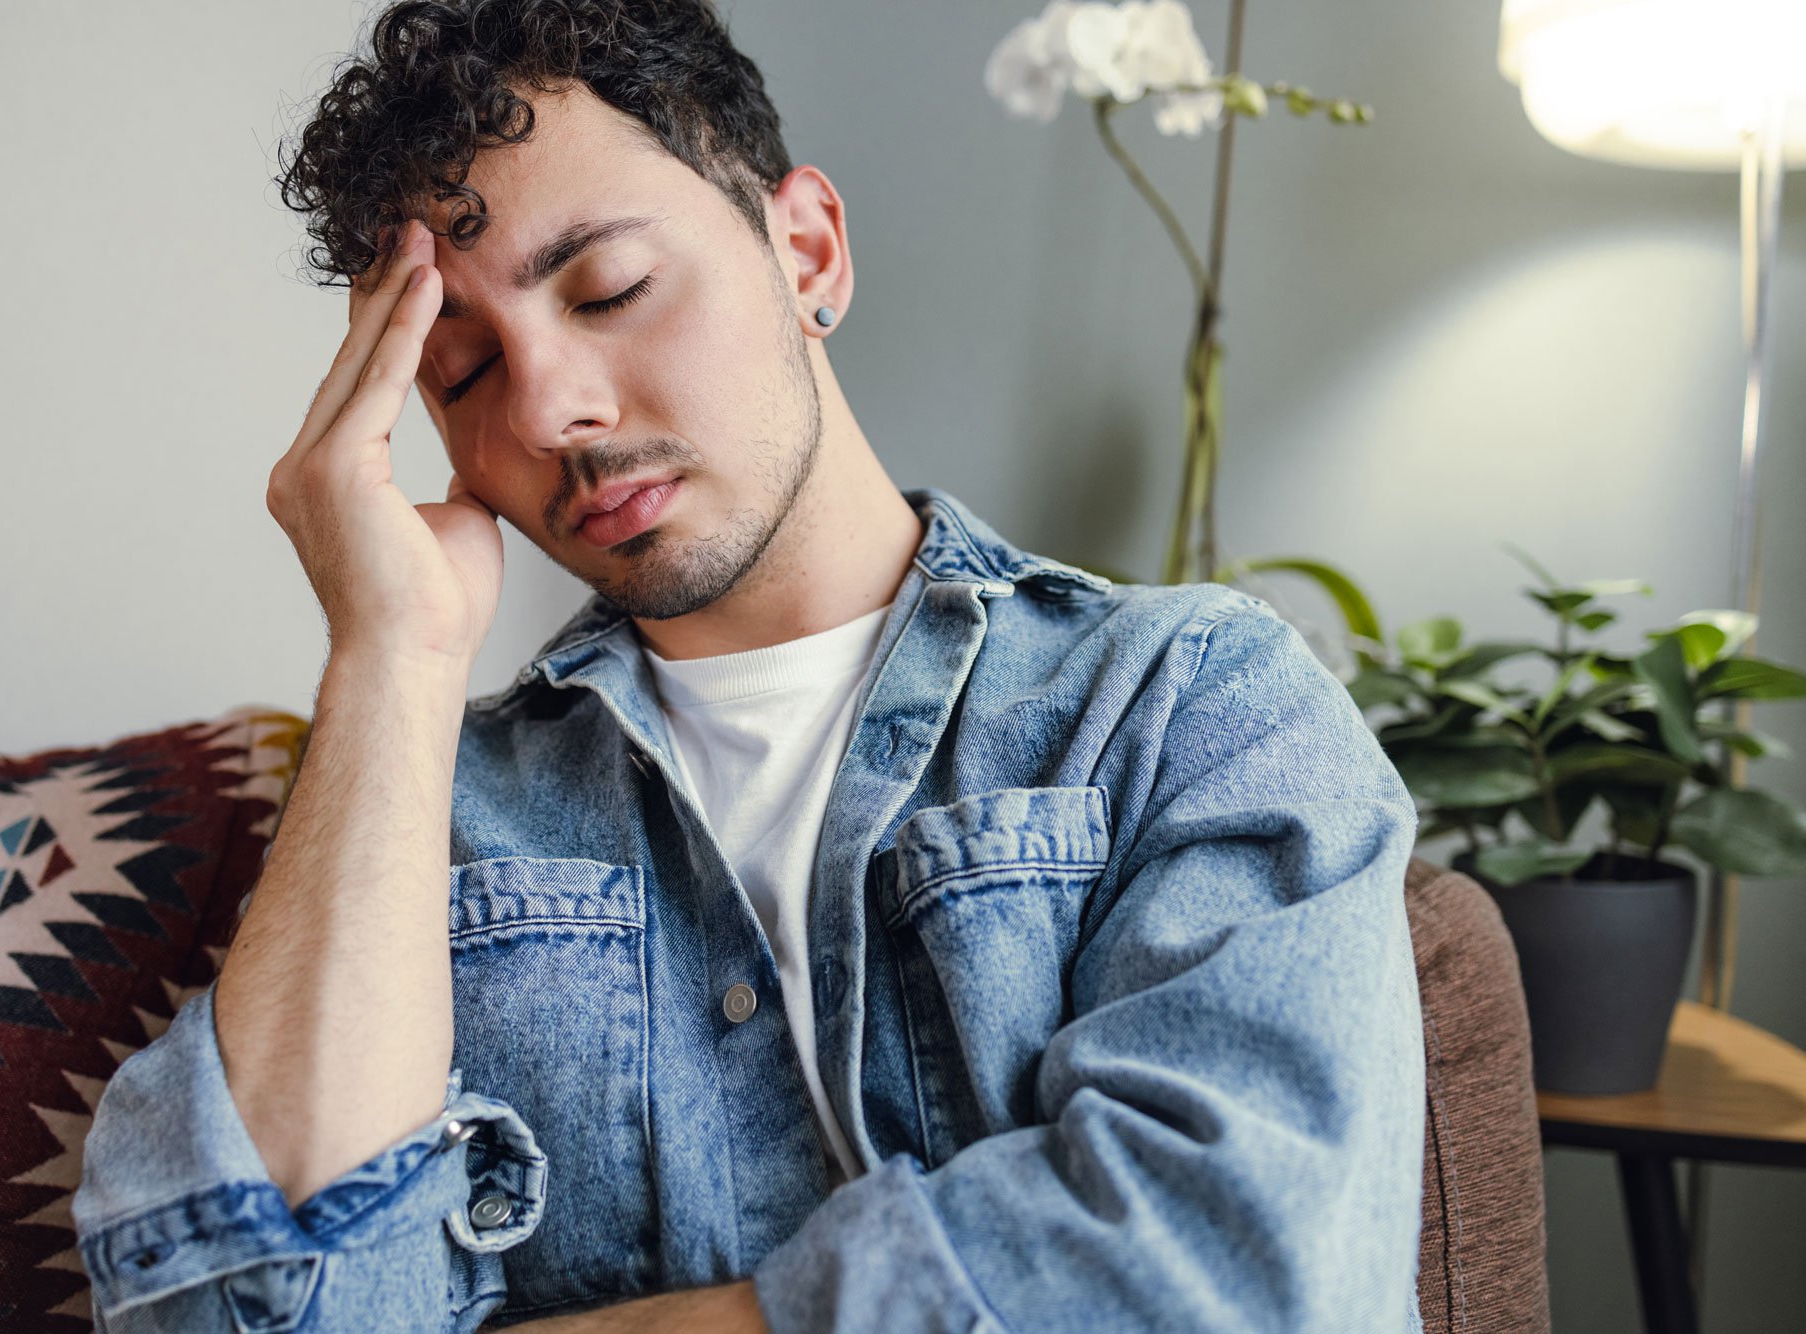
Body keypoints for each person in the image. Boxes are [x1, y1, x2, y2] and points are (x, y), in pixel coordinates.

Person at [72, 1, 1428, 1329]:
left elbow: (1243, 1271)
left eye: (608, 287)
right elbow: (243, 1309)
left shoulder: (1182, 702)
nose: (550, 410)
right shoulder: (424, 813)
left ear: (809, 252)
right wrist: (390, 655)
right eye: (466, 369)